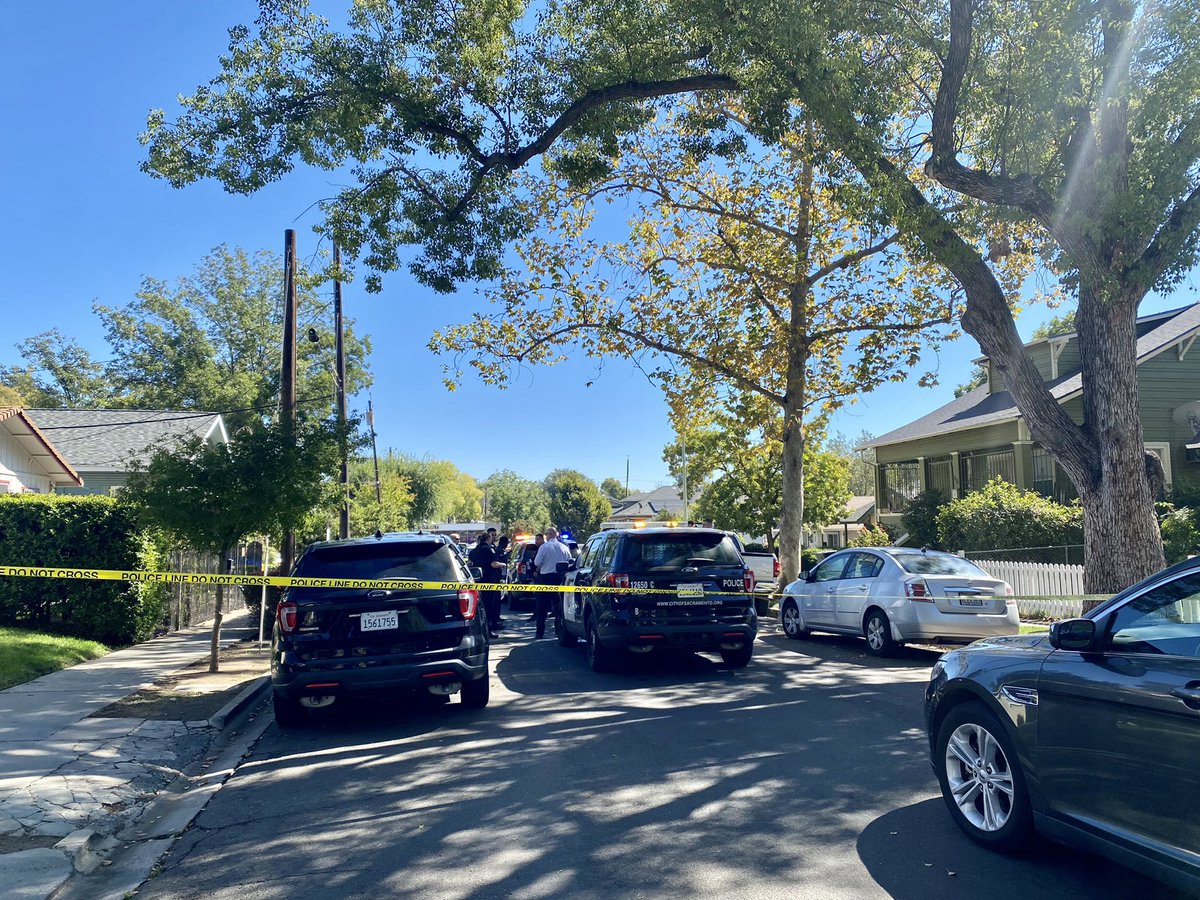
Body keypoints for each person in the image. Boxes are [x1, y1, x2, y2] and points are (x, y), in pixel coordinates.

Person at [531, 526, 572, 639]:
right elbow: (569, 561)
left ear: (548, 535)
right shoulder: (564, 547)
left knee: (542, 607)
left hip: (545, 578)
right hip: (560, 579)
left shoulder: (544, 547)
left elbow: (536, 562)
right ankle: (560, 630)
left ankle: (540, 632)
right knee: (560, 606)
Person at [468, 532, 505, 638]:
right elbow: (494, 564)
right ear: (488, 539)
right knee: (489, 607)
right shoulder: (489, 549)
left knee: (479, 606)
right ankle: (488, 630)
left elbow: (470, 563)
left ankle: (479, 629)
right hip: (489, 580)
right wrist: (503, 564)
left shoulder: (474, 551)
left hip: (477, 581)